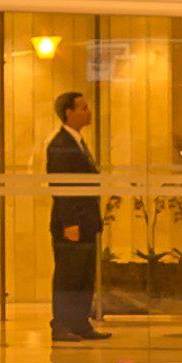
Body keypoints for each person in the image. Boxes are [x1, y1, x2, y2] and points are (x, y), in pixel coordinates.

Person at [45, 101, 104, 345]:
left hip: (87, 221)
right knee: (68, 276)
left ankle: (80, 322)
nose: (88, 111)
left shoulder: (77, 142)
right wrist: (69, 222)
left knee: (84, 275)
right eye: (83, 108)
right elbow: (62, 186)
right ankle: (61, 324)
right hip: (72, 222)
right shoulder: (60, 145)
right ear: (69, 112)